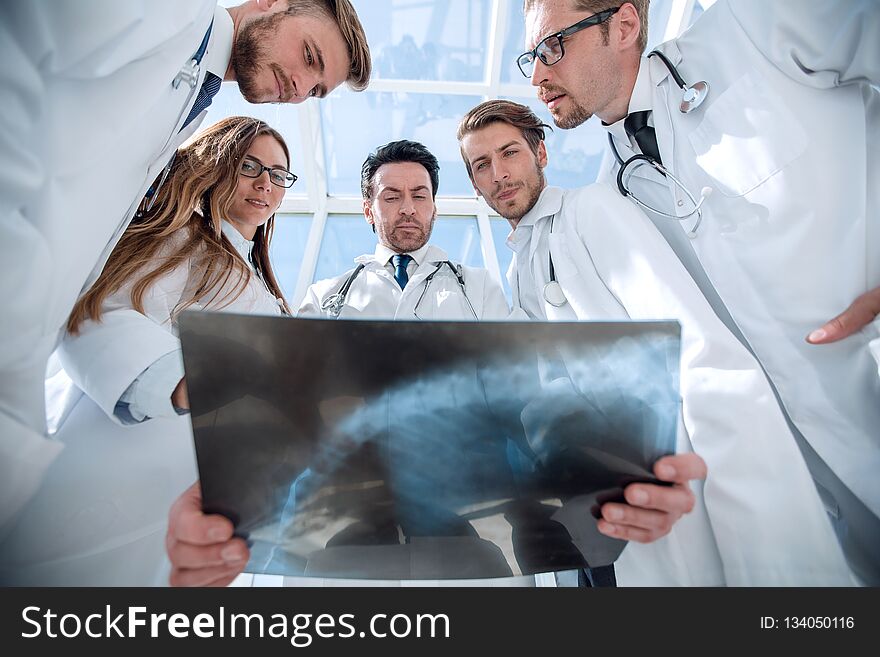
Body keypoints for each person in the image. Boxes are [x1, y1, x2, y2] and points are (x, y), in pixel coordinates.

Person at [165, 139, 708, 587]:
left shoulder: (481, 289)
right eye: (392, 196)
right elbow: (289, 404)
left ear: (433, 205)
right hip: (347, 503)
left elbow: (527, 388)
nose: (407, 208)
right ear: (368, 208)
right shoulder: (324, 297)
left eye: (420, 195)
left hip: (469, 498)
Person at [518, 0, 880, 584]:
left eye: (550, 47)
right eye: (529, 59)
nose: (537, 76)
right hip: (811, 497)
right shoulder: (606, 206)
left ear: (625, 25)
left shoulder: (757, 25)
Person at [0, 0, 371, 533]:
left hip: (182, 508)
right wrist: (195, 381)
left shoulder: (182, 106)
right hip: (96, 470)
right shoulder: (169, 14)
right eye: (309, 55)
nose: (299, 88)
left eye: (316, 90)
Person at [456, 98, 853, 585]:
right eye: (482, 165)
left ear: (541, 154)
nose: (499, 173)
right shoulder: (519, 271)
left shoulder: (591, 209)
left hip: (657, 482)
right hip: (588, 511)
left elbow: (693, 346)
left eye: (510, 152)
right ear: (474, 184)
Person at [0, 116, 298, 585]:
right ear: (216, 166)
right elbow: (98, 313)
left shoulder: (255, 273)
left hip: (190, 494)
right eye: (250, 166)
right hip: (114, 469)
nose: (266, 183)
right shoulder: (179, 238)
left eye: (279, 175)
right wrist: (186, 384)